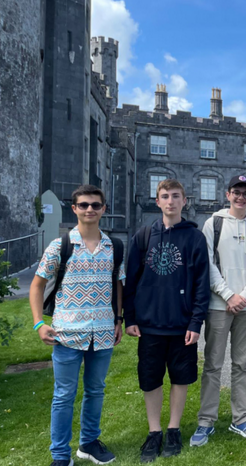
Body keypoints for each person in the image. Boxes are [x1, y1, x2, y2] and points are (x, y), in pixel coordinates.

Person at [29, 185, 125, 466]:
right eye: (83, 205)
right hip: (66, 333)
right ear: (74, 209)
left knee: (96, 390)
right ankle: (60, 455)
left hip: (104, 331)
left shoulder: (114, 247)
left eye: (96, 205)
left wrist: (118, 320)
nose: (90, 210)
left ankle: (89, 443)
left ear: (103, 208)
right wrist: (38, 324)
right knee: (63, 395)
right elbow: (37, 286)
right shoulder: (61, 246)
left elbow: (118, 286)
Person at [123, 179, 211, 462]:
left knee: (180, 377)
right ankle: (154, 431)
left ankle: (173, 428)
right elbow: (131, 281)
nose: (170, 201)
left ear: (184, 201)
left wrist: (196, 323)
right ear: (157, 201)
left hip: (181, 324)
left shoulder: (195, 238)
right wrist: (130, 318)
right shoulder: (144, 235)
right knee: (150, 378)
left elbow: (201, 284)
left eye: (176, 196)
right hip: (149, 323)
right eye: (165, 196)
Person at [190, 176, 246, 447]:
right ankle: (206, 421)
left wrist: (243, 296)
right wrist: (227, 294)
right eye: (237, 192)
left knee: (242, 365)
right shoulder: (214, 223)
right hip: (218, 306)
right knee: (212, 365)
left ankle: (241, 419)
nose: (241, 197)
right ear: (228, 194)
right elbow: (207, 263)